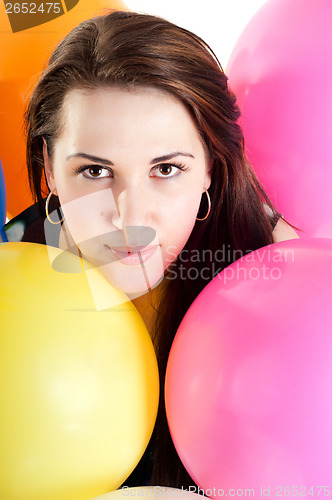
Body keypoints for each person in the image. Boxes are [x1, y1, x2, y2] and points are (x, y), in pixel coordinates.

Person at [7, 9, 298, 488]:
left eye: (166, 169)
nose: (130, 217)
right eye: (95, 171)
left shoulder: (281, 277)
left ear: (209, 167)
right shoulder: (10, 272)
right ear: (50, 166)